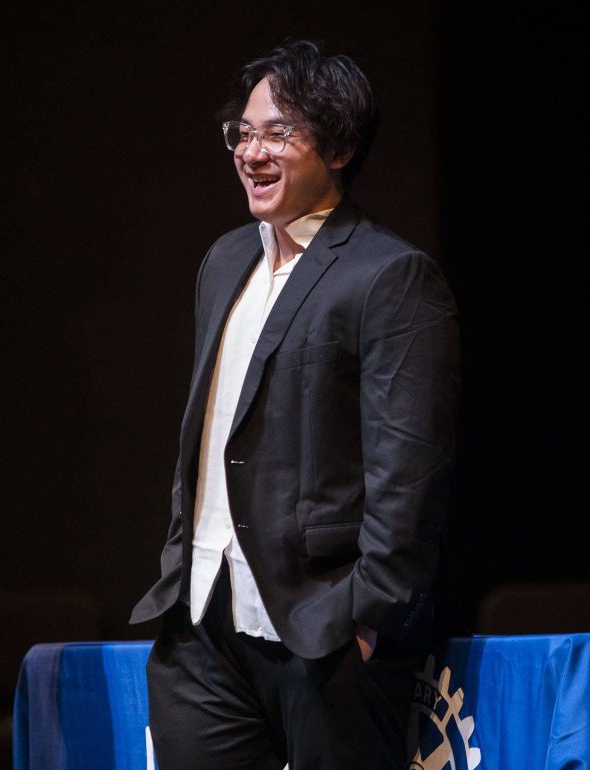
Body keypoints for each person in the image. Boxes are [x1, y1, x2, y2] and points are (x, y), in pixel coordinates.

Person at [131, 40, 460, 769]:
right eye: (242, 133)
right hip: (204, 624)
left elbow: (410, 469)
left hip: (325, 629)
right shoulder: (225, 261)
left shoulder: (388, 275)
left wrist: (370, 614)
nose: (252, 152)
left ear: (338, 146)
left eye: (278, 132)